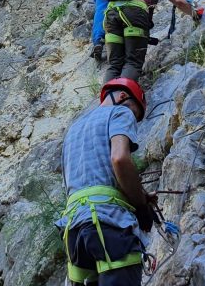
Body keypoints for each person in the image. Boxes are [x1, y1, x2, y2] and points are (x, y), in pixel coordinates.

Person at [57, 78, 156, 285]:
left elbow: (88, 179)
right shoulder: (120, 112)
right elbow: (119, 159)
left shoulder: (72, 130)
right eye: (135, 112)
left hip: (74, 231)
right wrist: (141, 205)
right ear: (122, 96)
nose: (133, 118)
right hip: (108, 225)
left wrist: (140, 192)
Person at [104, 0, 200, 82]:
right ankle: (123, 97)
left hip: (111, 14)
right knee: (133, 62)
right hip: (134, 13)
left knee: (114, 65)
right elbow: (178, 1)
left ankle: (107, 98)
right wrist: (195, 14)